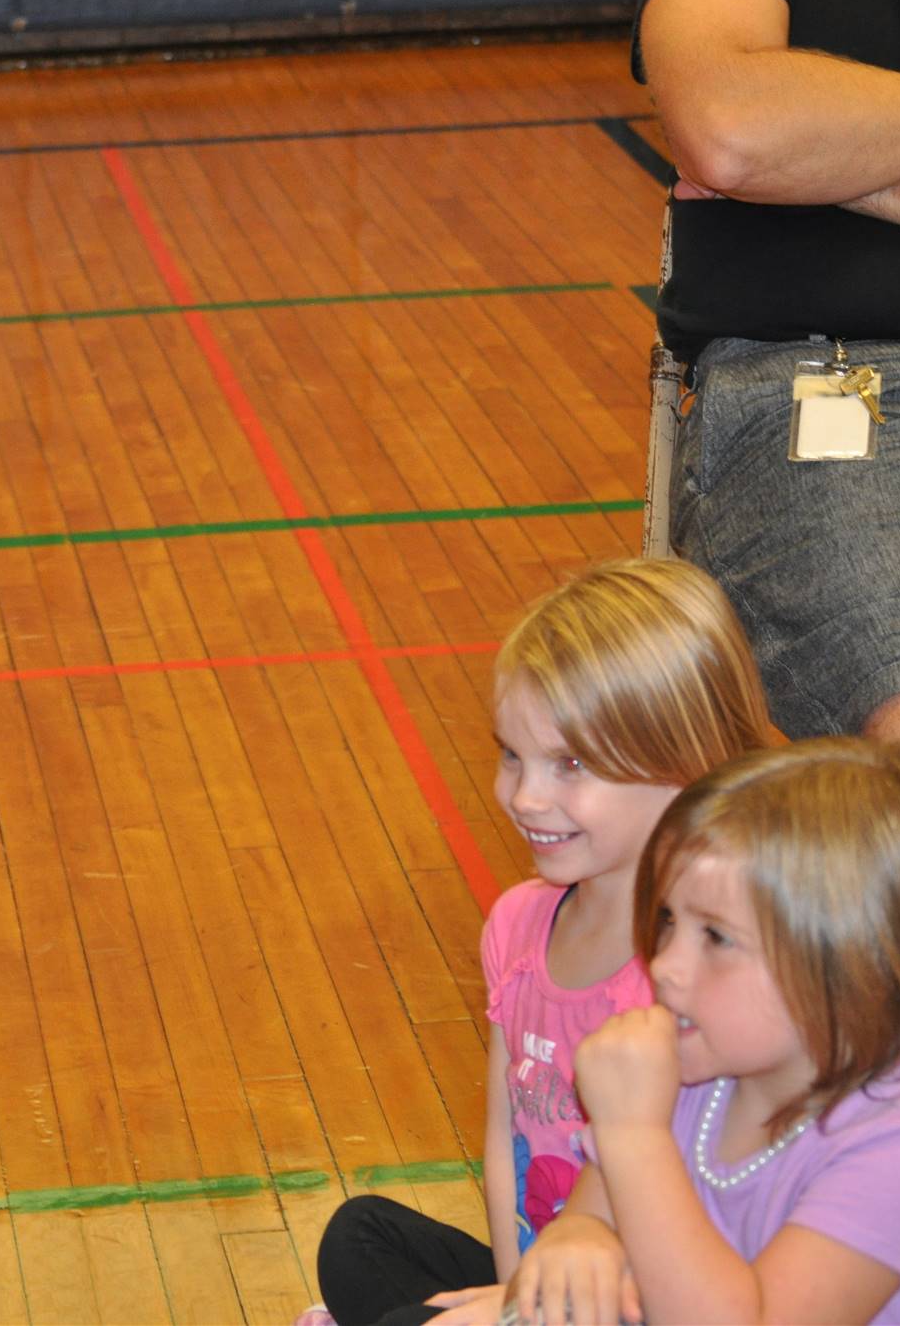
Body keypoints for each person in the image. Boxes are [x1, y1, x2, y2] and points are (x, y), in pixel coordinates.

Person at [635, 0, 900, 890]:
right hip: (819, 407)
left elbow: (751, 148)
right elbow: (732, 131)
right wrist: (751, 145)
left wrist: (825, 158)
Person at [309, 559, 773, 1325]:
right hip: (541, 1282)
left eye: (571, 764)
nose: (524, 797)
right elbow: (503, 1134)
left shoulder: (692, 978)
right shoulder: (521, 925)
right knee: (358, 1238)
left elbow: (699, 1212)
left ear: (685, 768)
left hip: (640, 1295)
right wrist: (516, 1292)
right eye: (512, 755)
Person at [508, 736, 900, 1325]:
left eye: (716, 937)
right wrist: (577, 1240)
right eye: (668, 919)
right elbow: (593, 1219)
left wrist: (636, 1135)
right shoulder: (693, 1065)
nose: (663, 964)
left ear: (850, 966)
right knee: (370, 1242)